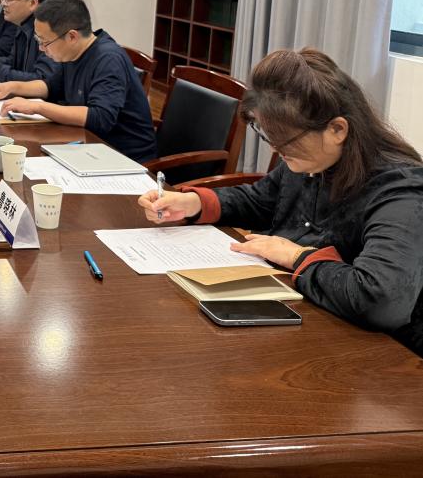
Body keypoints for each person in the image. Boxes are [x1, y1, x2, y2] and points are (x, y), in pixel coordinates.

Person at [138, 48, 423, 357]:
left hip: (379, 356)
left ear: (337, 129)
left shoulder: (399, 190)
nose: (276, 150)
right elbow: (261, 201)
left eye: (285, 140)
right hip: (303, 316)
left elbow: (381, 300)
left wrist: (297, 257)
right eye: (269, 136)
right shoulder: (311, 159)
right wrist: (194, 203)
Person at [0, 0, 157, 162]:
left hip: (123, 158)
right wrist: (11, 87)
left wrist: (38, 107)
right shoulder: (73, 52)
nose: (41, 49)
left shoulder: (108, 59)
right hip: (88, 145)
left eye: (45, 42)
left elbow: (100, 118)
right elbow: (51, 86)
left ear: (72, 36)